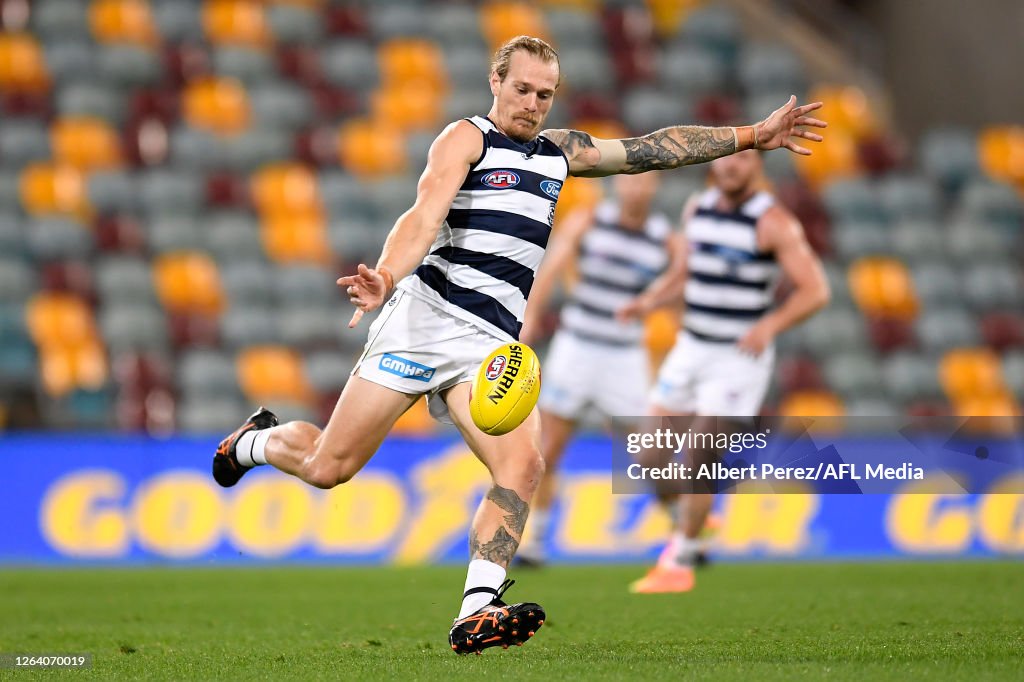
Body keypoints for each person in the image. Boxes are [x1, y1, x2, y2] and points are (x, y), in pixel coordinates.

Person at [210, 35, 826, 652]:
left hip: (487, 345)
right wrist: (388, 274)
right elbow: (424, 214)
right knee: (328, 467)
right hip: (423, 323)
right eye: (523, 89)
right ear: (496, 82)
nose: (533, 104)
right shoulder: (466, 138)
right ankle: (255, 442)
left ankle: (476, 607)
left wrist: (751, 135)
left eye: (545, 95)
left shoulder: (562, 152)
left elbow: (651, 151)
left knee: (523, 466)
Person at [619, 148, 831, 594]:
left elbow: (815, 290)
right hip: (692, 346)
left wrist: (769, 325)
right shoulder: (697, 207)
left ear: (758, 167)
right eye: (727, 159)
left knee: (699, 456)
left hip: (739, 359)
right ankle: (694, 520)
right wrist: (652, 299)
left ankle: (679, 561)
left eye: (744, 160)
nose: (732, 166)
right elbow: (684, 271)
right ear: (715, 162)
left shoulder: (774, 222)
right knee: (648, 456)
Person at [514, 172, 677, 567]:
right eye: (629, 181)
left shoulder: (666, 238)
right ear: (616, 185)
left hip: (625, 355)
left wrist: (662, 306)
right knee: (549, 448)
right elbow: (549, 271)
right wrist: (530, 318)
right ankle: (535, 540)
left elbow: (684, 280)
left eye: (644, 181)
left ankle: (683, 530)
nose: (635, 188)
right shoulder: (588, 220)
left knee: (650, 455)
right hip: (578, 347)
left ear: (654, 187)